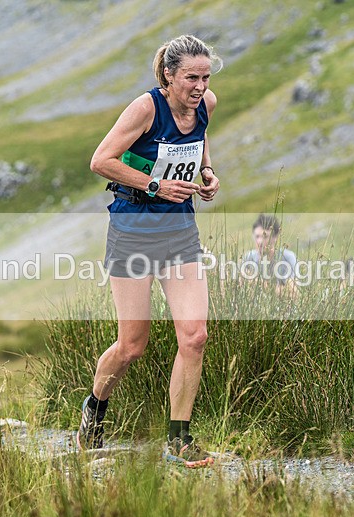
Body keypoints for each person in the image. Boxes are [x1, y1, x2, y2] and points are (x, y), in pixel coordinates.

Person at [78, 35, 221, 468]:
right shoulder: (145, 109)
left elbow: (199, 142)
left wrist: (208, 172)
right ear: (168, 75)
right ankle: (95, 408)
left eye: (205, 77)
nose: (199, 87)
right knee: (132, 346)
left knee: (195, 336)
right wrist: (156, 185)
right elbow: (101, 160)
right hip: (133, 230)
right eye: (190, 78)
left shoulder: (206, 104)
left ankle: (178, 439)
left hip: (180, 231)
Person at [243, 214, 297, 292]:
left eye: (265, 236)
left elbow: (293, 292)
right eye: (257, 236)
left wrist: (258, 284)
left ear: (275, 237)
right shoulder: (249, 257)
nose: (260, 241)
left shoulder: (288, 257)